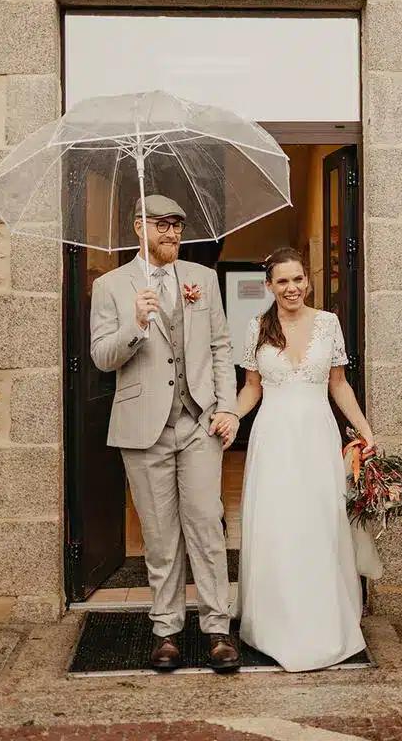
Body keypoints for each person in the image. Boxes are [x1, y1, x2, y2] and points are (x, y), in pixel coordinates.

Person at [89, 195, 241, 673]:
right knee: (159, 537)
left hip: (199, 424)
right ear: (139, 228)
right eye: (162, 225)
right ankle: (166, 631)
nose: (172, 233)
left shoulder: (202, 280)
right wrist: (135, 324)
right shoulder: (111, 286)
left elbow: (220, 346)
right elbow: (101, 357)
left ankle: (218, 628)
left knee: (206, 526)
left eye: (177, 225)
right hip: (143, 429)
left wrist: (228, 408)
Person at [232, 247, 372, 671]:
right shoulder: (257, 327)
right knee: (278, 525)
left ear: (307, 282)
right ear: (269, 286)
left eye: (297, 280)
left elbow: (339, 385)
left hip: (315, 437)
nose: (291, 288)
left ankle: (324, 622)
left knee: (318, 524)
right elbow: (251, 389)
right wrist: (228, 417)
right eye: (282, 281)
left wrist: (365, 430)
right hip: (273, 439)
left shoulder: (328, 324)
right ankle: (274, 624)